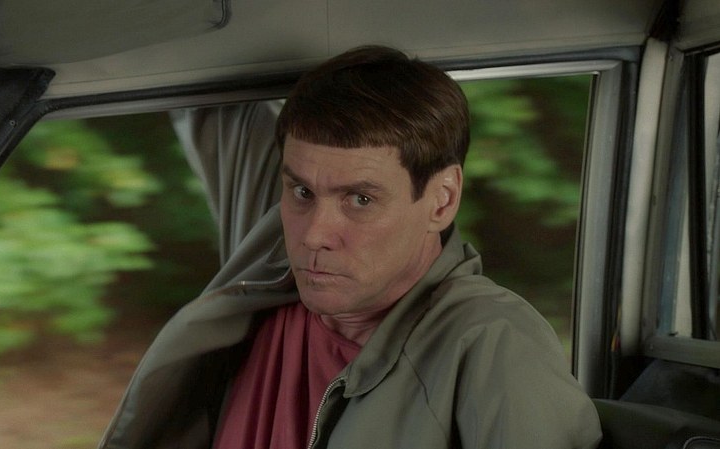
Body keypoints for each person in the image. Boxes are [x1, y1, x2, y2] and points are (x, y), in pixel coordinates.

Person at [99, 46, 602, 449]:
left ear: (442, 200)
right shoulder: (270, 249)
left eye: (360, 199)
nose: (314, 234)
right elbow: (198, 53)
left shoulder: (493, 343)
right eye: (301, 191)